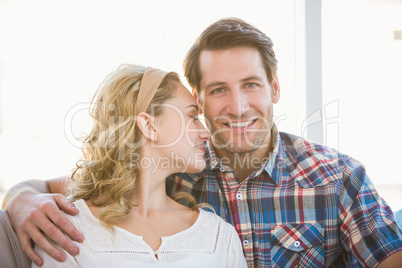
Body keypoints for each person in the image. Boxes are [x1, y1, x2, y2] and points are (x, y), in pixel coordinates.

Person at [3, 18, 402, 267]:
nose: (238, 106)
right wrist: (19, 200)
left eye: (250, 85)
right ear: (198, 97)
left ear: (275, 88)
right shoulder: (173, 167)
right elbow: (71, 184)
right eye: (218, 90)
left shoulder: (335, 177)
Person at [23, 63, 247, 267]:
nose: (206, 134)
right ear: (148, 125)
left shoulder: (219, 236)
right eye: (192, 116)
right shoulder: (68, 233)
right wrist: (19, 197)